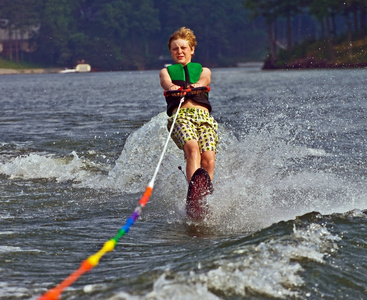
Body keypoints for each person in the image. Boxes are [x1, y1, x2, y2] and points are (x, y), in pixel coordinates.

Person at [159, 27, 218, 184]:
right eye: (175, 49)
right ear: (171, 52)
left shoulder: (203, 71)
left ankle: (204, 195)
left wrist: (197, 85)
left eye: (183, 48)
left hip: (204, 119)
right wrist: (172, 88)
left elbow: (205, 79)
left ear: (191, 50)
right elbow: (165, 82)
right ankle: (193, 188)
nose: (179, 51)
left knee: (208, 158)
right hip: (181, 117)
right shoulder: (166, 72)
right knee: (192, 148)